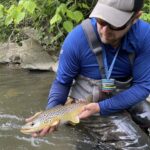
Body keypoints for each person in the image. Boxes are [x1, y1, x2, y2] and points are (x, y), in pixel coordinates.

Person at [26, 0, 150, 149]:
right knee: (137, 145)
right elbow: (62, 82)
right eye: (100, 21)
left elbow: (143, 86)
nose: (104, 31)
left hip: (123, 93)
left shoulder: (144, 36)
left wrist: (102, 107)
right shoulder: (77, 39)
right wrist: (51, 114)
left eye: (115, 25)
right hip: (85, 104)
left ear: (136, 17)